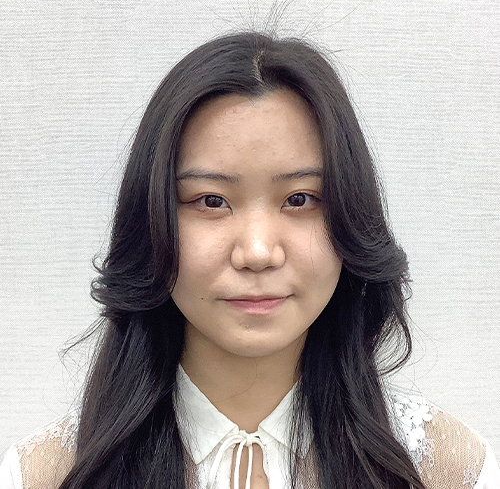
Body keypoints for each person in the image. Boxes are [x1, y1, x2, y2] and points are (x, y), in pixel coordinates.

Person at [0, 31, 498, 489]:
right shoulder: (46, 474)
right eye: (211, 201)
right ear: (150, 221)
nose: (258, 252)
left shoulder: (446, 469)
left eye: (300, 199)